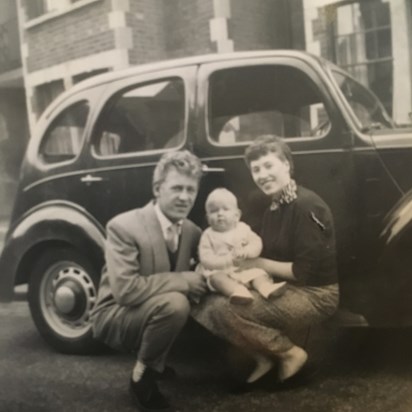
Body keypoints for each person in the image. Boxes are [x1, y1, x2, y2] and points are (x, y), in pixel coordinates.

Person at [192, 135, 339, 385]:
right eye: (256, 169)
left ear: (287, 165)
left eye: (269, 166)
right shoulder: (274, 206)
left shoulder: (306, 206)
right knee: (204, 300)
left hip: (316, 294)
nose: (263, 175)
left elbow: (304, 273)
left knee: (224, 308)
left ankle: (290, 353)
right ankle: (264, 356)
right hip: (284, 285)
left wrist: (257, 264)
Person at [90, 151, 207, 412]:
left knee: (190, 298)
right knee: (176, 303)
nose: (185, 197)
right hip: (115, 314)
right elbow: (126, 292)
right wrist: (182, 279)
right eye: (177, 188)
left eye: (191, 190)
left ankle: (156, 361)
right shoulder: (123, 226)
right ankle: (141, 377)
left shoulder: (192, 231)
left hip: (149, 307)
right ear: (157, 188)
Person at [197, 188, 287, 304]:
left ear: (236, 215)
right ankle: (238, 292)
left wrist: (247, 251)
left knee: (258, 273)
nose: (220, 214)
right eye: (214, 211)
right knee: (216, 279)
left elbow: (257, 242)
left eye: (225, 209)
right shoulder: (208, 235)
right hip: (221, 271)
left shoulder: (243, 228)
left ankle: (265, 288)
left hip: (244, 268)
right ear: (208, 218)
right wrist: (228, 261)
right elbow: (206, 259)